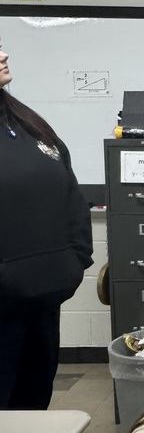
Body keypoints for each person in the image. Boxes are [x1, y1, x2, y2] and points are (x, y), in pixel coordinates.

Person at [0, 42, 93, 409]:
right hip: (3, 305)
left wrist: (75, 260)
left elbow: (69, 193)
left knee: (33, 402)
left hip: (42, 299)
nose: (4, 54)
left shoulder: (23, 122)